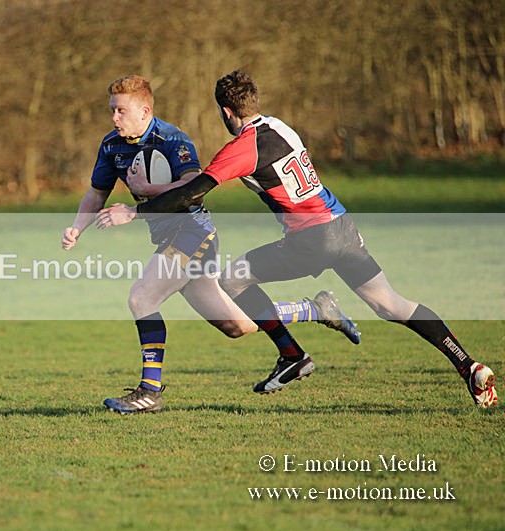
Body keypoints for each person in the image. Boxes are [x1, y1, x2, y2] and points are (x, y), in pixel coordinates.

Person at [97, 69, 497, 408]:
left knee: (232, 278)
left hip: (311, 239)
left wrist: (134, 211)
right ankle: (469, 366)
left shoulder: (241, 149)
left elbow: (191, 192)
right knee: (391, 304)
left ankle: (292, 354)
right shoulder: (278, 126)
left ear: (225, 112)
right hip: (342, 227)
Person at [63, 75, 359, 414]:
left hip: (192, 232)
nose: (114, 118)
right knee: (236, 325)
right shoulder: (111, 145)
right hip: (169, 237)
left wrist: (142, 199)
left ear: (144, 111)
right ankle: (316, 310)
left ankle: (149, 392)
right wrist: (77, 228)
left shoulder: (172, 140)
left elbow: (193, 186)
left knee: (142, 297)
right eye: (112, 111)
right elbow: (96, 193)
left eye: (121, 111)